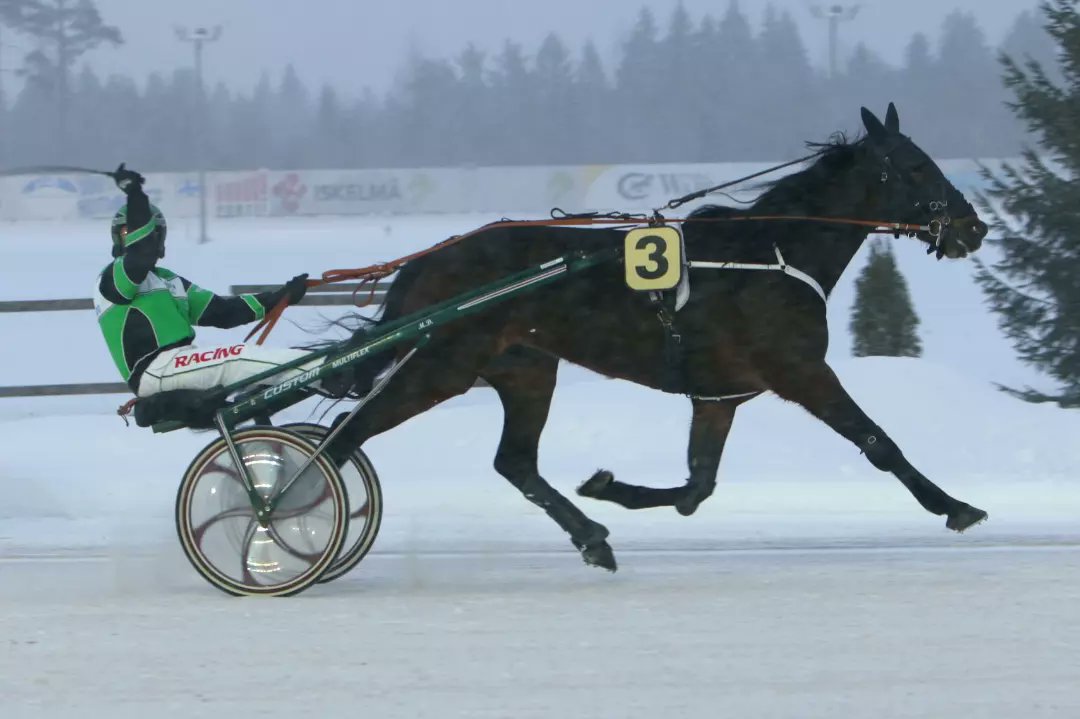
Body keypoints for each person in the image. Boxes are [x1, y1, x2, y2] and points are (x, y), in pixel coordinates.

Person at [94, 163, 327, 398]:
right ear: (117, 238)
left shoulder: (168, 281)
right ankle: (327, 373)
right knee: (238, 358)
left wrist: (280, 297)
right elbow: (140, 254)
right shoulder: (113, 277)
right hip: (153, 371)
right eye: (127, 233)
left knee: (249, 368)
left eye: (152, 233)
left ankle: (320, 370)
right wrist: (135, 195)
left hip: (179, 364)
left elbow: (223, 312)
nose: (140, 238)